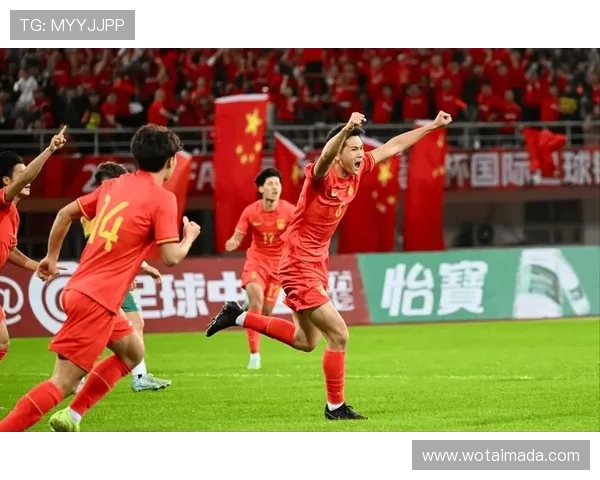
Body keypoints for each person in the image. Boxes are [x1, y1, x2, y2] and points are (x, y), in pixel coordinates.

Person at [206, 111, 453, 420]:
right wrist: (347, 128)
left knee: (306, 341)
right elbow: (324, 157)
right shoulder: (321, 177)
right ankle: (335, 407)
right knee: (339, 335)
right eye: (353, 149)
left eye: (361, 149)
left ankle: (238, 316)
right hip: (298, 262)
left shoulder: (358, 170)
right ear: (339, 153)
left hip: (317, 262)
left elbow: (393, 146)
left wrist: (432, 126)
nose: (360, 154)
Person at [0, 124, 201, 432]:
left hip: (83, 290)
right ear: (171, 161)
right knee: (63, 382)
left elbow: (64, 214)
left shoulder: (114, 185)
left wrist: (51, 257)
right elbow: (171, 257)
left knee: (133, 353)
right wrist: (189, 237)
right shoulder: (163, 199)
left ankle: (72, 416)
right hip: (97, 299)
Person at [75, 161, 171, 392]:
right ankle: (77, 377)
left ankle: (140, 376)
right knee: (101, 332)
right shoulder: (93, 212)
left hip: (118, 276)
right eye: (103, 185)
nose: (107, 190)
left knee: (136, 323)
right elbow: (107, 247)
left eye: (111, 184)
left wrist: (137, 268)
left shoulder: (125, 207)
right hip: (101, 278)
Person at [0, 127, 68, 364]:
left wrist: (37, 266)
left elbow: (10, 251)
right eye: (22, 172)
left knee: (2, 342)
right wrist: (49, 150)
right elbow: (26, 178)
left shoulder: (13, 214)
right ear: (7, 181)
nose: (28, 177)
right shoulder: (1, 199)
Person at [224, 168, 295, 369]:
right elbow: (238, 236)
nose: (275, 188)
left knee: (265, 314)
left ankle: (249, 306)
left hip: (278, 267)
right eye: (271, 184)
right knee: (257, 299)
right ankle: (254, 356)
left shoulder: (289, 211)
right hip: (256, 261)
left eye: (277, 184)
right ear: (261, 189)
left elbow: (298, 234)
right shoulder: (251, 211)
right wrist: (233, 242)